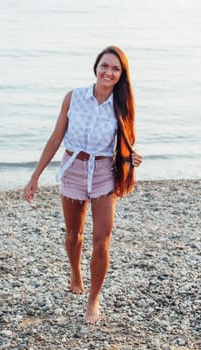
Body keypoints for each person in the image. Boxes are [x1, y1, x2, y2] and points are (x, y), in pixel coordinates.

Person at [24, 45, 143, 324]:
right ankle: (75, 271)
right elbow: (55, 139)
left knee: (102, 240)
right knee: (73, 234)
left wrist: (132, 157)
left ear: (121, 74)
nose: (109, 72)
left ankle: (93, 298)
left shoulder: (121, 104)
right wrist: (35, 176)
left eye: (115, 69)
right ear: (96, 67)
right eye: (105, 66)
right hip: (73, 169)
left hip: (104, 172)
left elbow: (125, 145)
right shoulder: (73, 97)